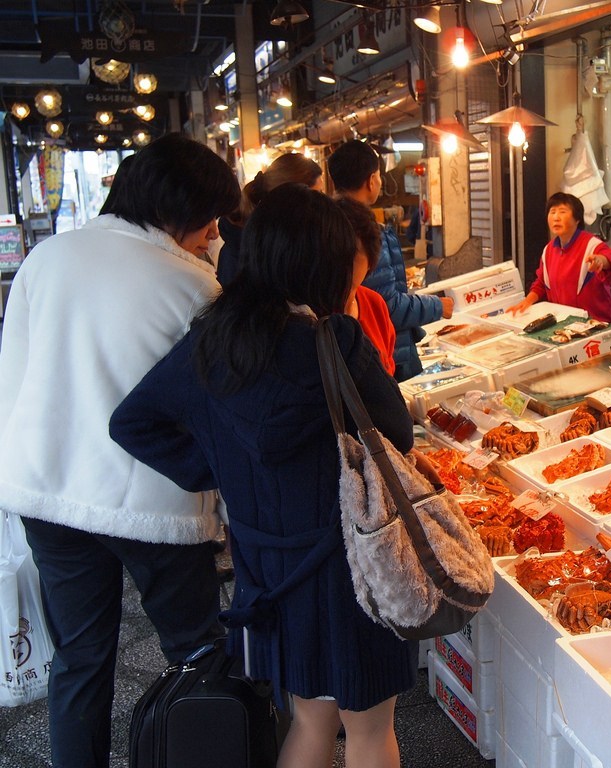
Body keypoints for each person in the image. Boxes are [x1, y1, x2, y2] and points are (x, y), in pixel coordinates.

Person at [109, 184, 417, 768]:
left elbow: (133, 423)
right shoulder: (336, 341)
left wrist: (220, 469)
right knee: (371, 729)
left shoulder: (212, 342)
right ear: (320, 265)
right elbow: (395, 436)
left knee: (307, 719)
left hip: (267, 570)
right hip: (354, 560)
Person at [0, 133, 239, 768]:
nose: (212, 231)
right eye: (209, 216)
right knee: (197, 651)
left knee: (79, 659)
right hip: (151, 503)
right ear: (179, 208)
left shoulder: (45, 259)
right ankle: (211, 754)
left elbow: (12, 376)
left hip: (47, 491)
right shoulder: (191, 284)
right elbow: (206, 407)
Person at [328, 140, 453, 382]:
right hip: (383, 356)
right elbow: (387, 306)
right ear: (371, 180)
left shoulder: (327, 225)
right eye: (378, 176)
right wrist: (438, 306)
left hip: (354, 352)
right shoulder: (362, 233)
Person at [506, 192, 611, 322]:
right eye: (552, 212)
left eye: (562, 212)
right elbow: (542, 283)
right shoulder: (548, 250)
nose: (556, 218)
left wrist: (601, 261)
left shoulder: (591, 244)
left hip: (596, 323)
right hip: (564, 323)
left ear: (577, 219)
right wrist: (527, 301)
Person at [216, 152, 323, 285]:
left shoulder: (272, 242)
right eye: (316, 197)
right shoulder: (250, 255)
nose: (321, 207)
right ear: (288, 200)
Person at [335, 196, 397, 375]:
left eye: (352, 252)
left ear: (370, 259)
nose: (342, 262)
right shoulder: (316, 317)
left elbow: (389, 371)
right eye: (335, 251)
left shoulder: (374, 303)